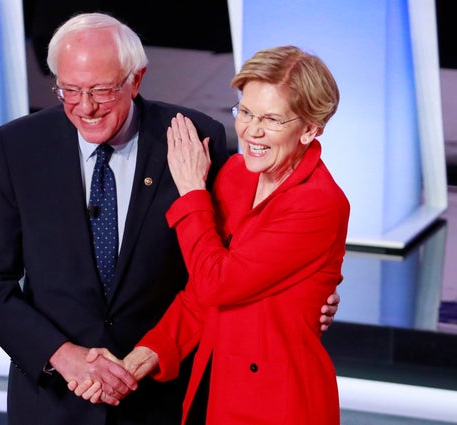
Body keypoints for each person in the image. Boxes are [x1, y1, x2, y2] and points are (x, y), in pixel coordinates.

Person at [0, 11, 340, 424]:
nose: (85, 106)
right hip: (55, 400)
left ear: (135, 79)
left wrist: (304, 294)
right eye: (69, 90)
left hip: (168, 404)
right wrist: (66, 357)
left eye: (102, 90)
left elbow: (219, 271)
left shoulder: (194, 139)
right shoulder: (19, 146)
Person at [74, 45, 350, 424]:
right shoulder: (236, 175)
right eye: (246, 112)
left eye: (271, 119)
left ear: (310, 129)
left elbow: (218, 283)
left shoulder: (318, 204)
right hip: (216, 389)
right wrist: (137, 360)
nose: (252, 130)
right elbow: (199, 298)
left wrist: (192, 192)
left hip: (281, 403)